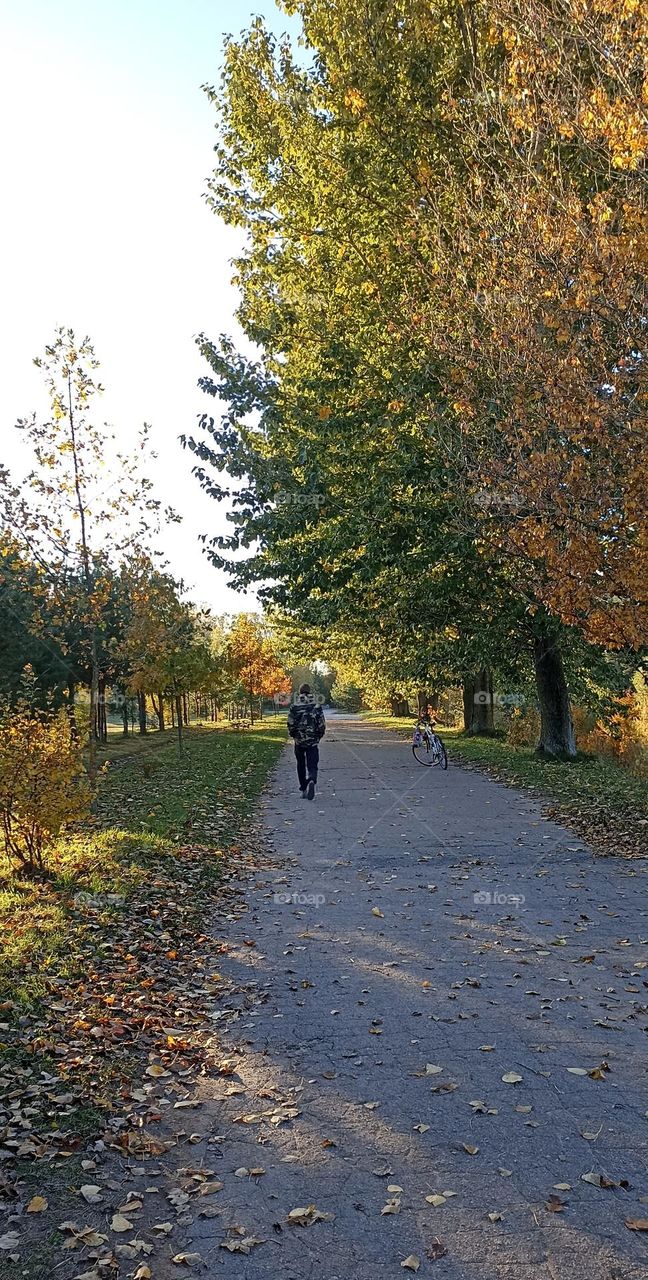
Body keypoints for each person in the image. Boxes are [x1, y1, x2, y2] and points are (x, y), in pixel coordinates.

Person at [287, 683, 325, 800]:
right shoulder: (316, 705)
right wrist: (319, 735)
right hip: (312, 740)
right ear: (310, 692)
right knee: (313, 763)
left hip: (299, 740)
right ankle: (312, 779)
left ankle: (303, 788)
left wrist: (293, 734)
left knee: (301, 764)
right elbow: (321, 723)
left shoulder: (295, 706)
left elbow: (290, 723)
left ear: (300, 692)